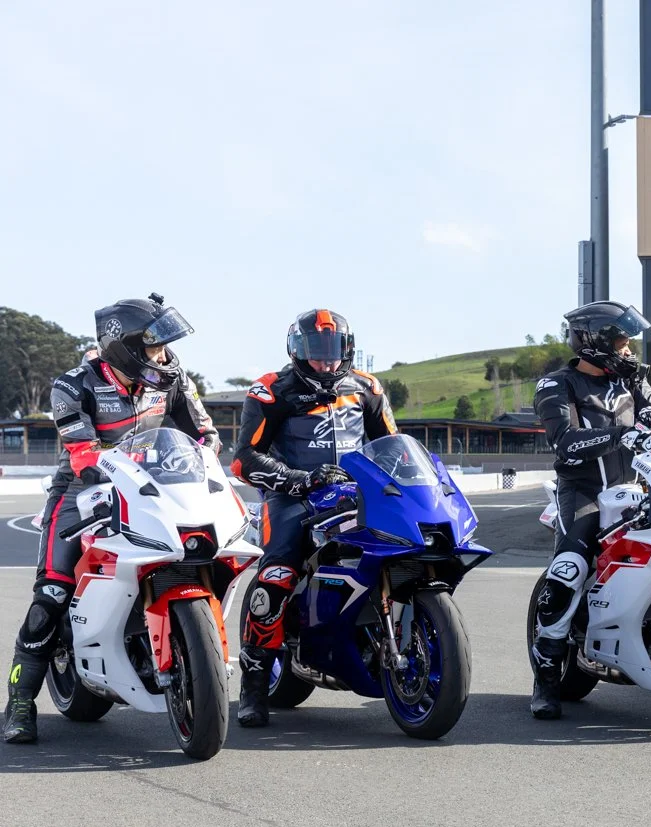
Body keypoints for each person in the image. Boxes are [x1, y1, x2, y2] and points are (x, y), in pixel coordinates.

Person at [5, 294, 219, 744]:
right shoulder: (73, 384)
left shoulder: (173, 376)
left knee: (204, 551)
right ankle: (20, 703)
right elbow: (83, 452)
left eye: (164, 346)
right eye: (154, 345)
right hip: (83, 490)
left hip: (155, 488)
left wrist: (209, 460)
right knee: (51, 592)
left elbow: (203, 436)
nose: (163, 354)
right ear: (125, 346)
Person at [529, 301, 651, 721]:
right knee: (569, 567)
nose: (627, 349)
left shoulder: (632, 383)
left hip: (634, 491)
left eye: (627, 342)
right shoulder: (556, 385)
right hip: (582, 493)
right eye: (620, 341)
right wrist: (624, 433)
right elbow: (565, 442)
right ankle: (546, 677)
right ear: (594, 342)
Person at [231, 309, 396, 726]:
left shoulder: (367, 387)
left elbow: (392, 446)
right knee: (277, 573)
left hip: (358, 495)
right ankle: (253, 686)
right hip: (292, 497)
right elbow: (245, 460)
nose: (326, 362)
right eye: (316, 353)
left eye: (334, 351)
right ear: (296, 351)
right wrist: (300, 479)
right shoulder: (271, 391)